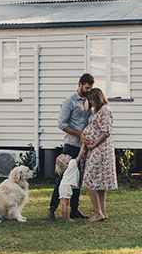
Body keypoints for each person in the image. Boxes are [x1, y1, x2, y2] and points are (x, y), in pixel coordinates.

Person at [48, 73, 94, 221]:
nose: (88, 91)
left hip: (84, 146)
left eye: (90, 88)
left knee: (78, 178)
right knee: (64, 178)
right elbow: (62, 124)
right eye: (86, 88)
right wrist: (79, 134)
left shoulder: (89, 101)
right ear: (79, 84)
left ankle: (74, 209)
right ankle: (53, 208)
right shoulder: (70, 101)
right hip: (71, 145)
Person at [81, 87, 117, 222]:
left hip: (101, 149)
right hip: (95, 149)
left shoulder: (105, 110)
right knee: (99, 181)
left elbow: (105, 131)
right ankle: (102, 212)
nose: (91, 102)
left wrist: (94, 144)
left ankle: (97, 212)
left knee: (90, 179)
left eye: (92, 100)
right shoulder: (96, 111)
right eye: (90, 100)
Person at [56, 143, 86, 222]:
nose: (68, 155)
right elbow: (80, 156)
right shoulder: (72, 163)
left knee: (63, 203)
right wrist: (82, 146)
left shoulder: (67, 168)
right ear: (66, 162)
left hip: (62, 185)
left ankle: (64, 217)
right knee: (66, 203)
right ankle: (67, 218)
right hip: (67, 186)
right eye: (66, 157)